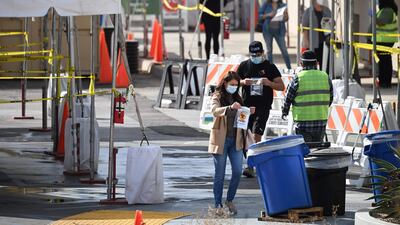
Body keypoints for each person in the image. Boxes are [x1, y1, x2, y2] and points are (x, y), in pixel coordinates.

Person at [208, 71, 255, 215]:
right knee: (220, 175)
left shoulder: (238, 98)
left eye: (236, 85)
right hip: (221, 140)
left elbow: (241, 118)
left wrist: (247, 111)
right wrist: (229, 108)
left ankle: (229, 199)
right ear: (225, 83)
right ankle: (218, 205)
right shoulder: (217, 96)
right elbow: (214, 111)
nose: (234, 87)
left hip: (236, 141)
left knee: (237, 172)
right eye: (231, 84)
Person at [237, 41, 284, 177]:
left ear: (263, 53)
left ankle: (251, 165)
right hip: (246, 106)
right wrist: (243, 82)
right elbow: (232, 81)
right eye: (253, 55)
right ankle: (248, 161)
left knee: (257, 133)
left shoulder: (270, 67)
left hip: (263, 106)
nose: (255, 56)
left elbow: (281, 86)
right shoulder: (244, 66)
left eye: (258, 54)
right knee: (245, 134)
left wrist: (268, 83)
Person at [282, 50, 333, 143]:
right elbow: (330, 98)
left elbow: (288, 98)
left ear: (301, 64)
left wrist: (284, 111)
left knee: (305, 152)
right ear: (317, 63)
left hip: (302, 124)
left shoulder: (298, 78)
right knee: (317, 152)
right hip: (321, 122)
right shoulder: (325, 77)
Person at [259, 0, 291, 69]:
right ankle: (270, 69)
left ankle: (289, 68)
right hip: (267, 31)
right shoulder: (266, 4)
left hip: (280, 31)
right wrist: (269, 14)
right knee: (269, 51)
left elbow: (286, 19)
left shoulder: (283, 5)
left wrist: (285, 14)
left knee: (284, 50)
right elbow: (260, 16)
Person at [301, 0, 331, 71]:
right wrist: (305, 42)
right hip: (312, 42)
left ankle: (323, 76)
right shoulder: (308, 12)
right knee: (312, 62)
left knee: (324, 62)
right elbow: (304, 28)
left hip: (325, 42)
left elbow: (333, 23)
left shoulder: (327, 10)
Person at [375, 0, 398, 88]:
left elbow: (381, 23)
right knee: (383, 61)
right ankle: (383, 81)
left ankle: (385, 82)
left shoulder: (388, 10)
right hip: (384, 40)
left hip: (385, 40)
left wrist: (373, 17)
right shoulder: (385, 10)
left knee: (385, 62)